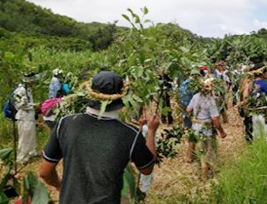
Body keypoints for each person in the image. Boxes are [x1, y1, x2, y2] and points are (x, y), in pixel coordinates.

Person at [39, 71, 159, 204]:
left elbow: (45, 172)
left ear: (89, 95)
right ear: (122, 99)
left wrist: (60, 186)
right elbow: (147, 169)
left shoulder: (65, 124)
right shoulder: (130, 134)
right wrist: (151, 132)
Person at [186, 78, 227, 180]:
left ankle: (201, 171)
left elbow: (188, 109)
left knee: (199, 151)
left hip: (195, 127)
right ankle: (205, 178)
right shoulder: (210, 101)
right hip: (206, 130)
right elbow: (215, 120)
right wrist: (222, 132)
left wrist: (197, 113)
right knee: (206, 153)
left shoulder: (195, 96)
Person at [14, 72, 37, 164]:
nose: (33, 82)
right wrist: (34, 106)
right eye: (32, 80)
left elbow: (28, 103)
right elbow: (20, 105)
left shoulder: (28, 90)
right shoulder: (20, 90)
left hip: (29, 117)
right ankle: (21, 158)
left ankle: (29, 155)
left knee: (30, 137)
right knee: (24, 138)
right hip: (23, 117)